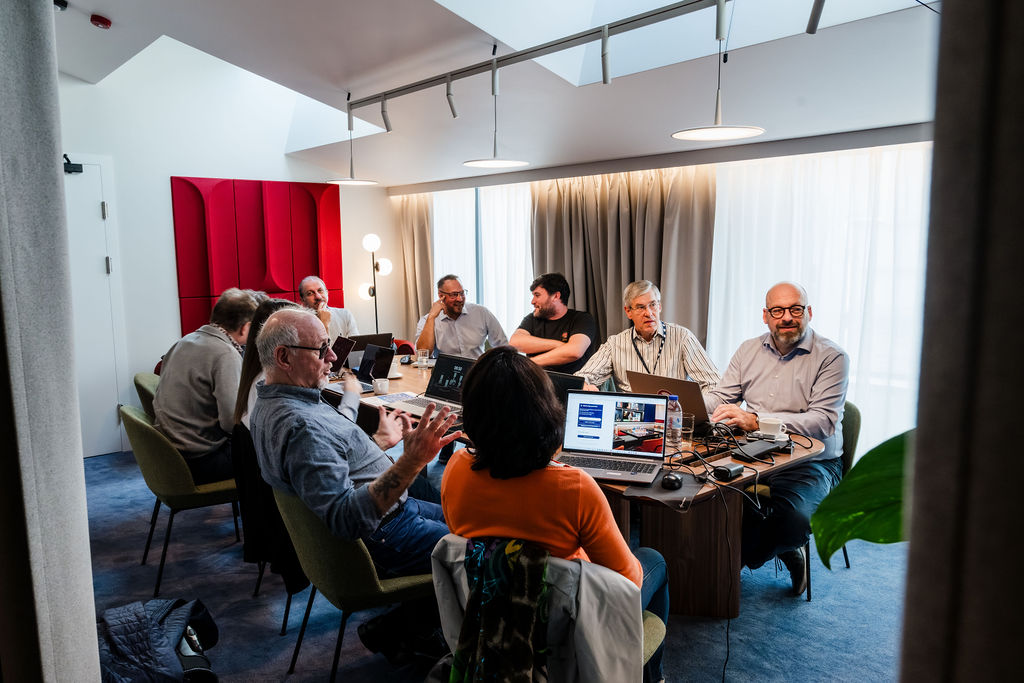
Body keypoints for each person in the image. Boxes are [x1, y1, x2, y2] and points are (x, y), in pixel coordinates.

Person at [441, 346, 669, 682]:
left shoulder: (456, 470)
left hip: (489, 613)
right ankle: (651, 675)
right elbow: (628, 582)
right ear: (546, 410)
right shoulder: (574, 487)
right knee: (654, 562)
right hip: (568, 624)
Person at [250, 307, 460, 577]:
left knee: (474, 520)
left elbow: (329, 458)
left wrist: (378, 443)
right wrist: (412, 461)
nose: (333, 356)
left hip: (397, 511)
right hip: (388, 532)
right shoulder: (303, 427)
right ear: (284, 357)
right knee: (490, 547)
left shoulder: (273, 402)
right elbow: (348, 520)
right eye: (321, 349)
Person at [705, 281, 849, 595]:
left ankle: (742, 559)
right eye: (777, 310)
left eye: (795, 309)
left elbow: (823, 422)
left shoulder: (832, 357)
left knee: (794, 520)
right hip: (754, 453)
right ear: (765, 315)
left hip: (812, 462)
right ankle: (743, 559)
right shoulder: (748, 350)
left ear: (809, 312)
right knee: (704, 494)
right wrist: (682, 401)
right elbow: (722, 397)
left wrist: (757, 421)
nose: (786, 317)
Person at [153, 287, 261, 484]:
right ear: (245, 328)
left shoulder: (184, 341)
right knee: (271, 457)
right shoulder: (225, 354)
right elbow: (232, 424)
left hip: (167, 454)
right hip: (199, 460)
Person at [575, 280, 720, 392]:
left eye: (653, 305)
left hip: (671, 414)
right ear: (628, 311)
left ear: (660, 306)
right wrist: (584, 385)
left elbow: (713, 383)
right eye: (640, 307)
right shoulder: (615, 344)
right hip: (632, 417)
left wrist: (693, 407)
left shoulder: (682, 337)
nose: (649, 313)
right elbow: (582, 377)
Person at [509, 272, 597, 374]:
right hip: (537, 380)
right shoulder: (532, 318)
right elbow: (515, 342)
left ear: (556, 296)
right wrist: (559, 345)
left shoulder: (582, 319)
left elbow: (574, 352)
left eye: (537, 295)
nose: (532, 301)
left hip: (571, 381)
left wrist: (529, 364)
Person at [415, 274, 508, 359]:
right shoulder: (428, 320)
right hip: (447, 370)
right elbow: (422, 355)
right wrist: (431, 317)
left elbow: (503, 345)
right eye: (454, 295)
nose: (460, 299)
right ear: (441, 296)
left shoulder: (481, 313)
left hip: (477, 369)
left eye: (462, 293)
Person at [298, 275, 358, 344]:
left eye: (320, 291)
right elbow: (319, 349)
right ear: (303, 299)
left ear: (327, 292)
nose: (318, 296)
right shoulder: (299, 323)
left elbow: (356, 347)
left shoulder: (345, 315)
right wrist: (324, 325)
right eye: (310, 293)